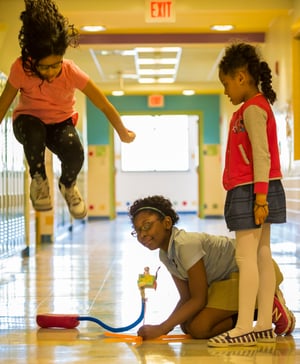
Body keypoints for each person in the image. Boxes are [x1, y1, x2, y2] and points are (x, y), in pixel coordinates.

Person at [0, 0, 135, 219]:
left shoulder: (71, 71)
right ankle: (38, 180)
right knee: (34, 133)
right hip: (27, 121)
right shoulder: (20, 69)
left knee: (75, 153)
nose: (52, 72)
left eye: (56, 64)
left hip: (60, 124)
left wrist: (122, 131)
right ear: (32, 59)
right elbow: (3, 104)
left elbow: (103, 103)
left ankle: (68, 185)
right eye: (44, 66)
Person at [207, 42, 288, 347]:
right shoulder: (255, 106)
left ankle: (244, 326)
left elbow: (262, 156)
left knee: (246, 257)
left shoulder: (253, 108)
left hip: (252, 189)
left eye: (226, 84)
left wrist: (261, 198)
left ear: (241, 76)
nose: (226, 91)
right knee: (262, 254)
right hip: (259, 187)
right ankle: (264, 323)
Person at [128, 195, 295, 341]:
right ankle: (257, 308)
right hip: (226, 281)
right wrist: (165, 326)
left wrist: (162, 328)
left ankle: (266, 306)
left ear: (166, 222)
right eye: (137, 231)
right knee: (187, 325)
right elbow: (186, 298)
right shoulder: (165, 255)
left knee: (200, 328)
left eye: (146, 226)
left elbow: (199, 299)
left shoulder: (185, 244)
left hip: (253, 275)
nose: (142, 234)